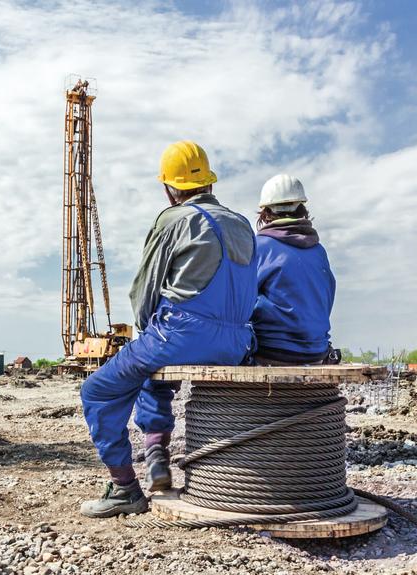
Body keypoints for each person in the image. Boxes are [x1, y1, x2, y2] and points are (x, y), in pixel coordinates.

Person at [78, 141, 258, 518]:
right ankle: (157, 456)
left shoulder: (173, 220)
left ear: (169, 188)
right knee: (149, 371)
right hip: (238, 341)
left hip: (181, 333)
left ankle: (126, 488)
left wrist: (148, 330)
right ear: (210, 183)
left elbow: (144, 289)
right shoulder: (242, 223)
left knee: (97, 390)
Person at [250, 174, 336, 365]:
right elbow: (326, 299)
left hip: (272, 351)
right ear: (302, 209)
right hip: (316, 351)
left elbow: (240, 303)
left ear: (265, 212)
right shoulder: (318, 251)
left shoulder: (259, 247)